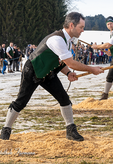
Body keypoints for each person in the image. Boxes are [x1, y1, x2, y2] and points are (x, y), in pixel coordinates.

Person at [0, 12, 104, 141]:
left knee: (64, 98)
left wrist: (68, 73)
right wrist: (91, 69)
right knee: (21, 101)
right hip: (32, 70)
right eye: (81, 27)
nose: (83, 30)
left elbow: (62, 62)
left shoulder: (67, 40)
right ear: (71, 25)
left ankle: (71, 130)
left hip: (49, 72)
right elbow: (71, 62)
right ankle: (6, 129)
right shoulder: (57, 39)